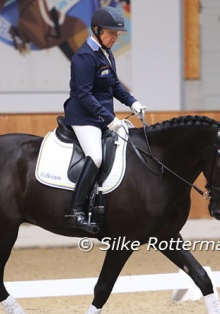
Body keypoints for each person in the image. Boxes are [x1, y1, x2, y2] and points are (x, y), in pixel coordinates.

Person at [63, 6, 146, 234]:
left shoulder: (106, 53)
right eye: (110, 33)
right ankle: (76, 211)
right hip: (83, 117)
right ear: (97, 30)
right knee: (96, 156)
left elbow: (114, 85)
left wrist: (132, 102)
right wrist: (109, 118)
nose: (114, 38)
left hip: (100, 116)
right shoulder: (84, 56)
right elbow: (84, 94)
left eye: (117, 34)